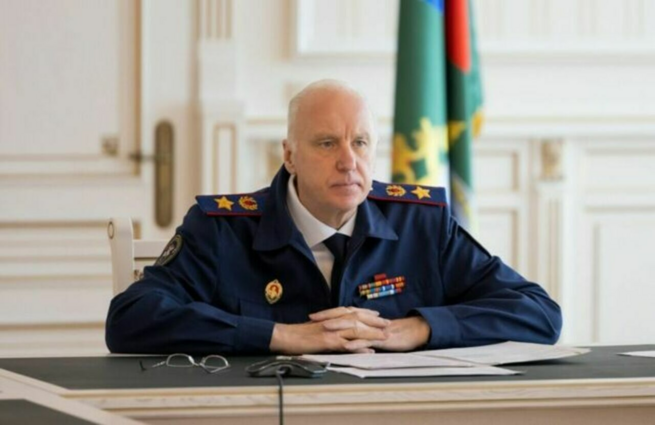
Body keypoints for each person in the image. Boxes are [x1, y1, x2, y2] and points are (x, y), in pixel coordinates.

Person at [106, 80, 562, 355]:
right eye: (327, 144)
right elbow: (130, 319)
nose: (348, 162)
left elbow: (539, 313)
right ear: (289, 155)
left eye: (360, 143)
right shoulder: (222, 228)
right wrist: (281, 336)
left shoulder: (421, 223)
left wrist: (416, 329)